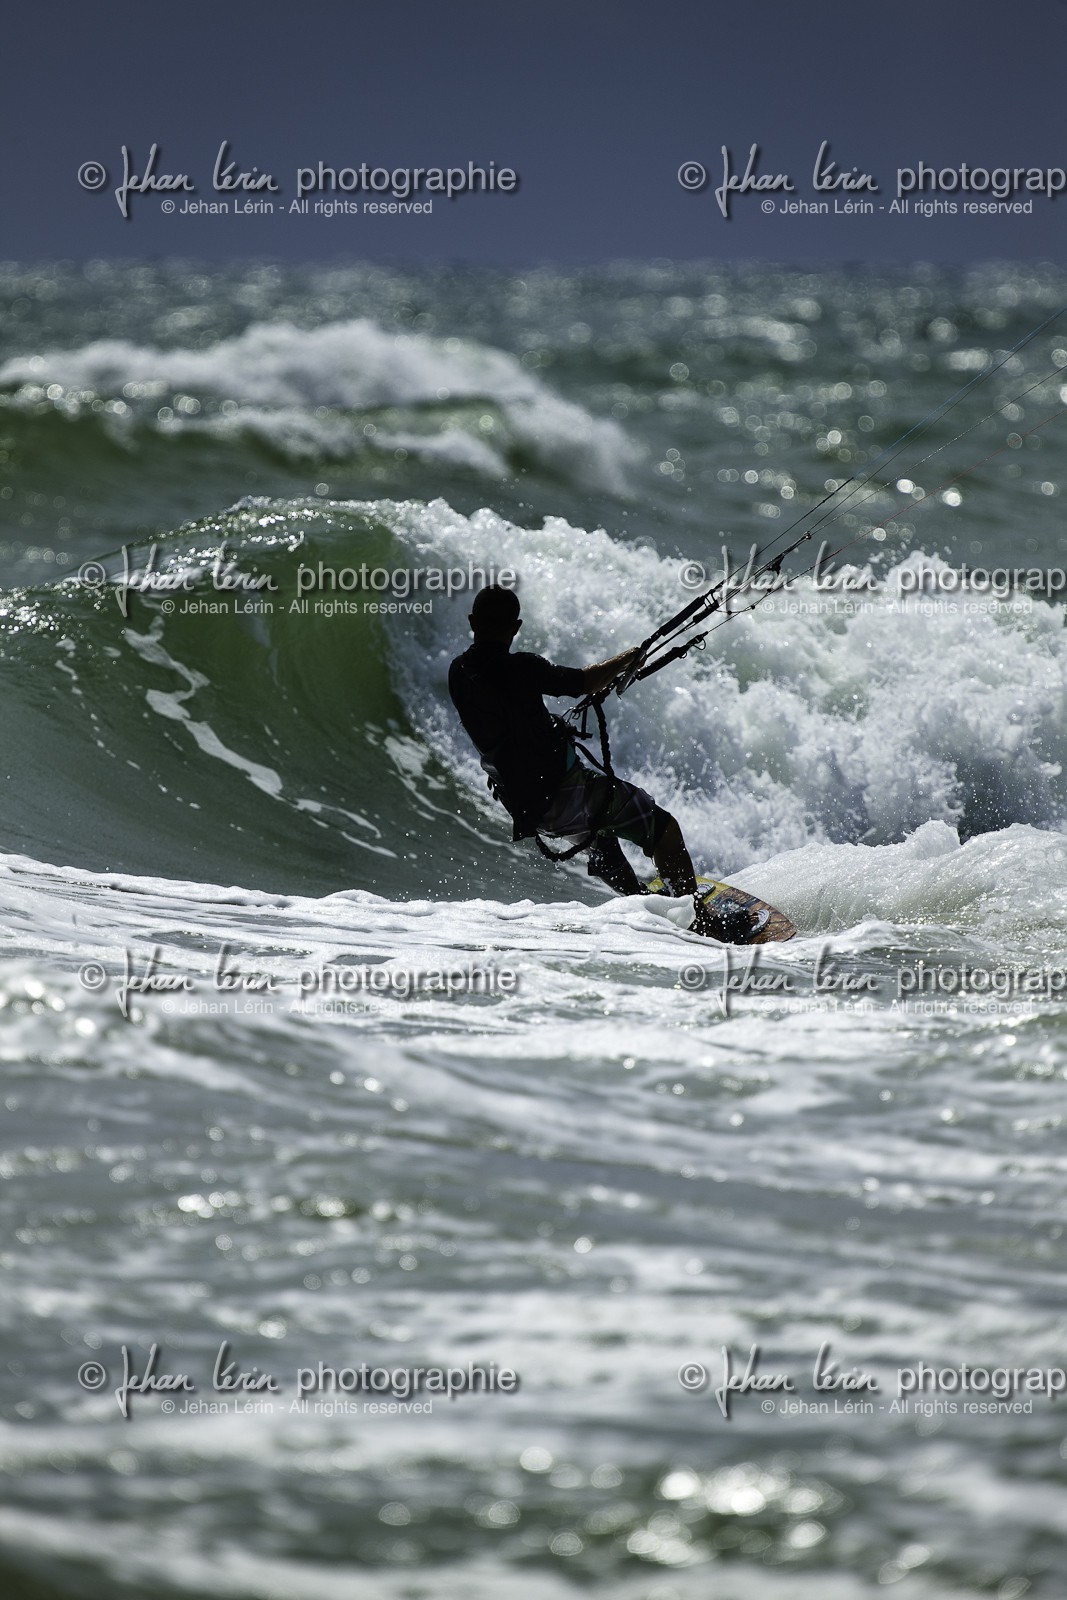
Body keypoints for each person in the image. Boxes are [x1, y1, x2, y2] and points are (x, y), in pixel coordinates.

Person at [448, 584, 699, 899]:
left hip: (526, 805)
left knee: (602, 838)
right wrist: (629, 658)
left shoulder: (458, 672)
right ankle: (696, 919)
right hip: (564, 793)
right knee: (664, 829)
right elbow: (583, 681)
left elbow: (508, 714)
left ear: (472, 622)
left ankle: (639, 901)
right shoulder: (524, 667)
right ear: (516, 627)